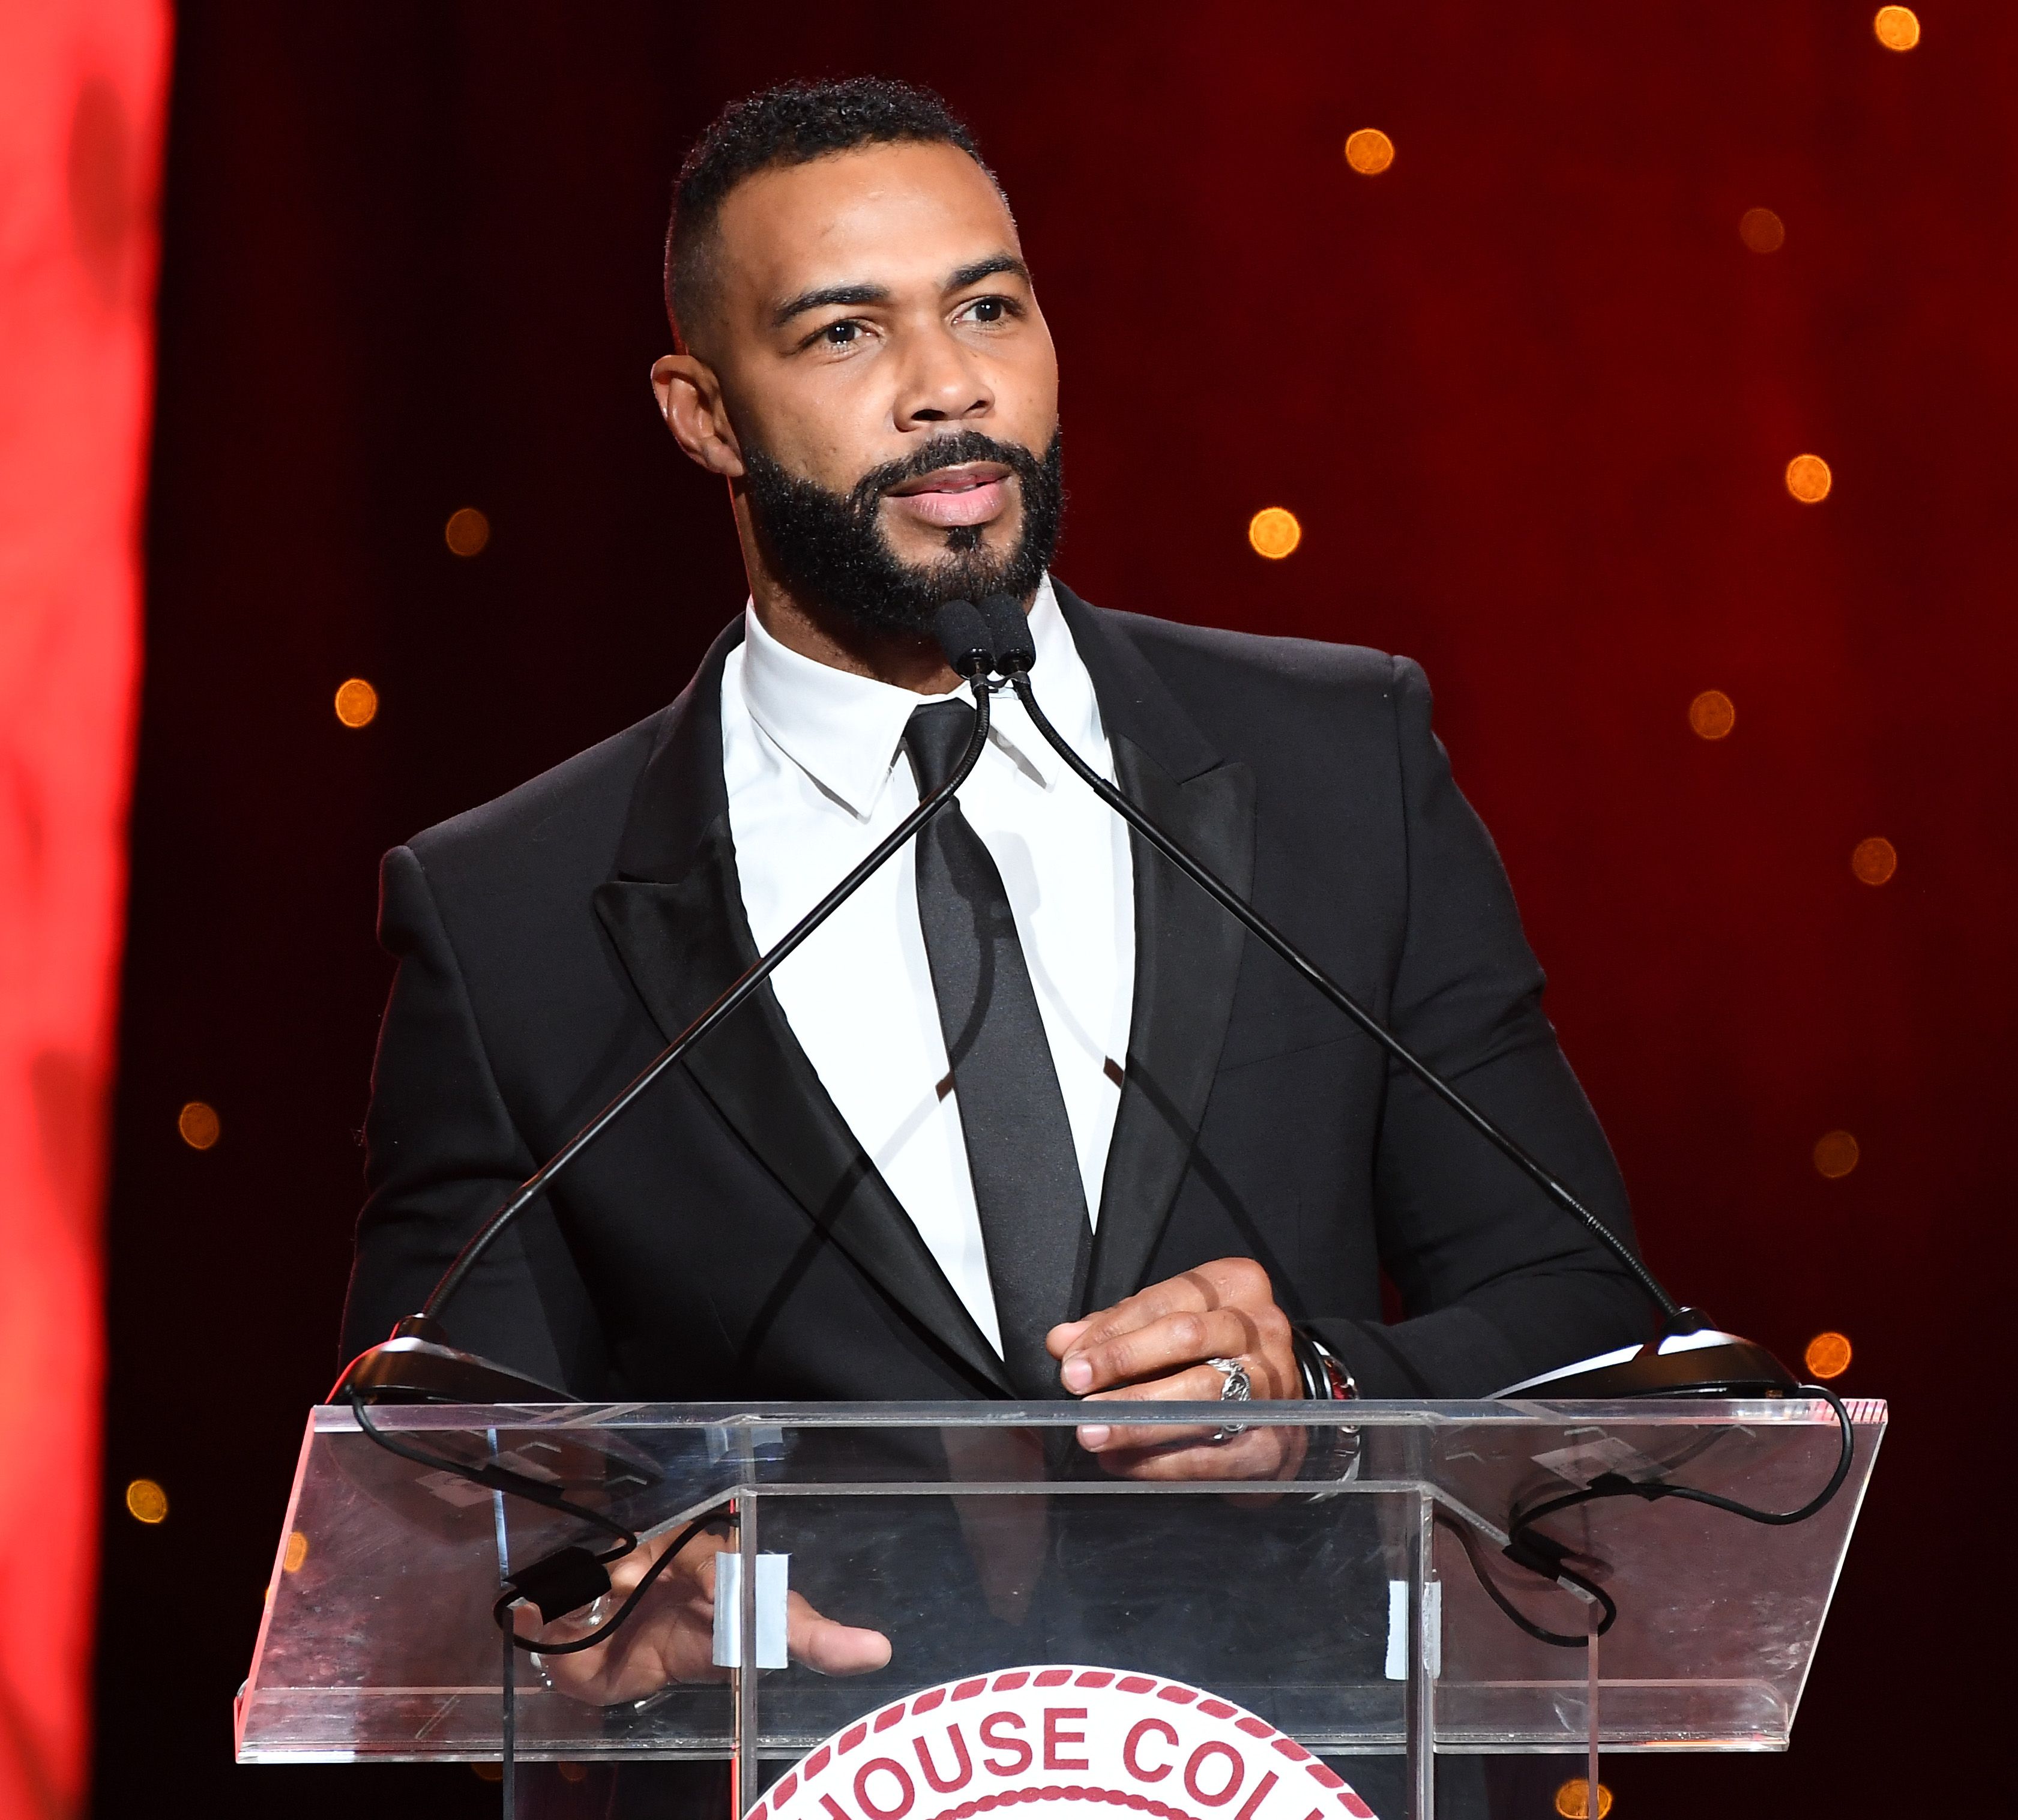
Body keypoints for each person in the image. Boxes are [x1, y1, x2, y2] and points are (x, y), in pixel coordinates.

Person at [339, 77, 1647, 1818]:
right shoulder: (514, 907)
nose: (945, 384)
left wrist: (1326, 1397)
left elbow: (1588, 1322)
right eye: (844, 332)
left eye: (987, 308)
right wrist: (590, 1589)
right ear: (703, 414)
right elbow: (433, 1467)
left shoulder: (1341, 767)